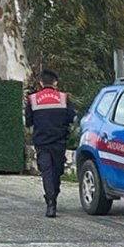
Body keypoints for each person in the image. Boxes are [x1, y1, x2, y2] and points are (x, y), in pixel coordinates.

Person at [26, 69, 76, 217]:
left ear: (41, 82)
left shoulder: (33, 99)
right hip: (59, 142)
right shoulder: (64, 98)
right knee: (56, 171)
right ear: (55, 82)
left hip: (41, 142)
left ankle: (51, 200)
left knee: (47, 172)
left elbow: (29, 123)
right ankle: (52, 199)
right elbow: (72, 118)